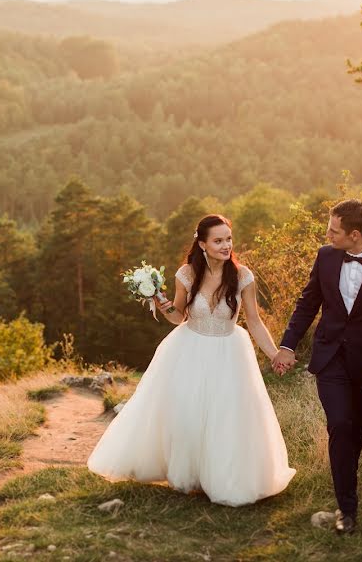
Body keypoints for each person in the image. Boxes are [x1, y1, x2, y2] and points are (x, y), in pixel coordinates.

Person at [87, 214, 296, 506]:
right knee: (187, 414)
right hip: (189, 348)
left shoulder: (243, 276)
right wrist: (161, 304)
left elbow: (255, 322)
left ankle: (224, 477)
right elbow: (178, 316)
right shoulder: (186, 274)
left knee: (226, 417)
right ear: (202, 244)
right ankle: (189, 475)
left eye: (229, 239)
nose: (226, 245)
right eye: (218, 240)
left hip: (229, 352)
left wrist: (274, 353)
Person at [273, 199, 362, 533]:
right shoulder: (325, 256)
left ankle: (345, 488)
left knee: (356, 429)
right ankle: (347, 509)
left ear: (354, 234)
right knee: (339, 424)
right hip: (330, 358)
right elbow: (308, 302)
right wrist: (288, 344)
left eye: (333, 231)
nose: (327, 235)